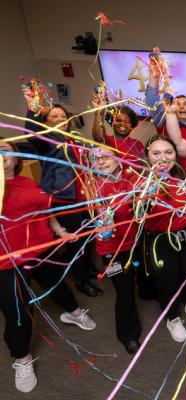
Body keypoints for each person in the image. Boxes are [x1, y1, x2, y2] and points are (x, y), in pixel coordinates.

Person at [0, 141, 96, 393]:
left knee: (58, 286)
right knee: (17, 311)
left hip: (40, 249)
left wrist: (60, 231)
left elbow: (45, 211)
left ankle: (73, 313)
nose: (1, 155)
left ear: (16, 157)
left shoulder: (28, 183)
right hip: (6, 261)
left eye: (5, 150)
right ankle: (21, 358)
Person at [22, 100, 102, 297]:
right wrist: (32, 110)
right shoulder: (47, 142)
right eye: (54, 117)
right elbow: (31, 133)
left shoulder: (74, 138)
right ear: (46, 122)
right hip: (64, 200)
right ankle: (81, 280)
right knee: (75, 242)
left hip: (85, 197)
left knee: (89, 236)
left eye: (63, 117)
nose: (60, 120)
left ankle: (88, 267)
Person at [141, 136, 186, 343]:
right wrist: (148, 190)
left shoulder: (184, 179)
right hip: (161, 242)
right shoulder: (141, 185)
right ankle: (173, 318)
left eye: (168, 152)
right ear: (147, 156)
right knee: (167, 282)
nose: (163, 158)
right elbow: (137, 215)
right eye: (156, 153)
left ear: (176, 155)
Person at [90, 147, 142, 354]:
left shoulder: (131, 181)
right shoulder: (93, 188)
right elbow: (93, 218)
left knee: (136, 274)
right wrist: (100, 226)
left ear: (118, 160)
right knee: (124, 290)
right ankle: (128, 334)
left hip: (134, 244)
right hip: (109, 252)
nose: (101, 161)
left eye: (105, 157)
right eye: (96, 159)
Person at [90, 91, 144, 165]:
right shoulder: (107, 141)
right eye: (118, 120)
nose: (123, 124)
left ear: (132, 125)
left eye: (127, 121)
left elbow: (145, 167)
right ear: (112, 122)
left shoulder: (138, 144)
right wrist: (99, 112)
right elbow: (98, 137)